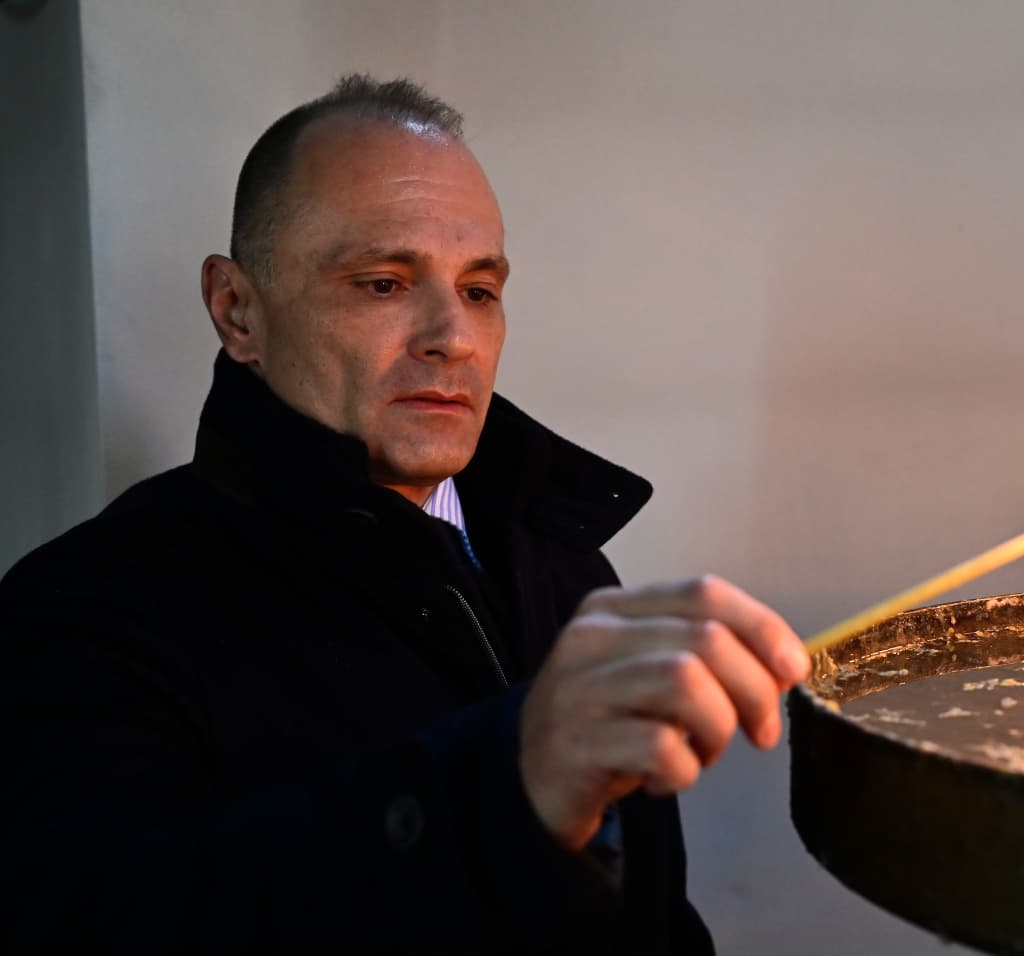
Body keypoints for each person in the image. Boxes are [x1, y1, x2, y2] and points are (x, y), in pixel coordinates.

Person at [0, 75, 809, 953]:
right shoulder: (81, 611)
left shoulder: (568, 564)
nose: (452, 338)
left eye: (480, 291)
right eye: (383, 284)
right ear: (237, 311)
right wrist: (501, 787)